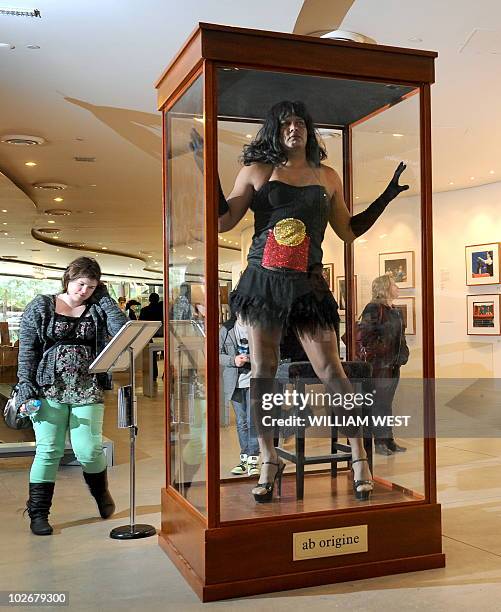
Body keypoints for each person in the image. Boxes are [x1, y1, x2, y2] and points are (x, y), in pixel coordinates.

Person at [191, 99, 408, 503]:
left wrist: (386, 197)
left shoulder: (326, 176)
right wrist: (206, 165)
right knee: (262, 371)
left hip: (308, 284)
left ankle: (359, 456)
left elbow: (348, 230)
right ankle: (268, 458)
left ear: (309, 130)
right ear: (275, 129)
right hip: (264, 283)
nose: (295, 127)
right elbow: (223, 220)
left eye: (300, 122)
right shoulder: (257, 171)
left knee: (333, 371)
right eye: (286, 122)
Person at [16, 257, 127, 535]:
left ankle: (100, 492)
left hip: (87, 388)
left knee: (88, 450)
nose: (84, 291)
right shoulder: (42, 305)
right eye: (81, 284)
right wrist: (25, 383)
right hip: (48, 388)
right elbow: (28, 349)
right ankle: (38, 512)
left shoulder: (97, 307)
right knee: (49, 450)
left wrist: (105, 300)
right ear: (69, 279)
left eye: (91, 287)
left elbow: (123, 333)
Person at [359, 275, 409, 455]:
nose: (397, 287)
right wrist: (382, 353)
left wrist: (403, 354)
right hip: (379, 366)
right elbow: (365, 336)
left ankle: (388, 440)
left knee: (386, 404)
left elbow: (400, 337)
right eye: (394, 284)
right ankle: (380, 441)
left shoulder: (395, 310)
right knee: (379, 404)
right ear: (385, 288)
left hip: (393, 366)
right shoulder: (373, 308)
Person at [219, 315, 260, 477]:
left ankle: (253, 459)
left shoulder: (258, 326)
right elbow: (217, 354)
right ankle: (244, 458)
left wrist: (252, 358)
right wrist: (233, 360)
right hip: (234, 383)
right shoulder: (226, 329)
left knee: (253, 420)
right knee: (241, 421)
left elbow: (269, 350)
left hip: (255, 380)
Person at [139, 292, 164, 379]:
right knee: (168, 355)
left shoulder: (144, 310)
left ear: (149, 300)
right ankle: (166, 374)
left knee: (151, 356)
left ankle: (153, 374)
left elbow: (141, 323)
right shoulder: (162, 310)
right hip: (162, 335)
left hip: (149, 335)